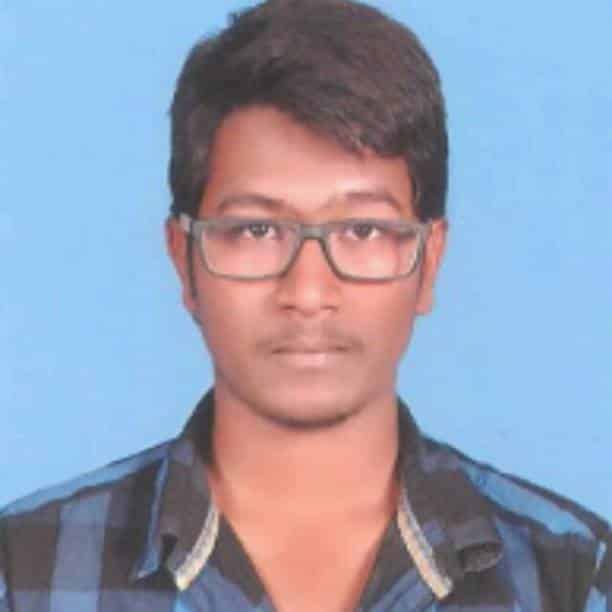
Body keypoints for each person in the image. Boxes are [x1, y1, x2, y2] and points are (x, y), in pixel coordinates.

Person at [1, 0, 610, 610]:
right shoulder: (26, 572)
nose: (308, 293)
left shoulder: (571, 574)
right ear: (183, 259)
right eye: (257, 231)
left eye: (364, 231)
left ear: (429, 262)